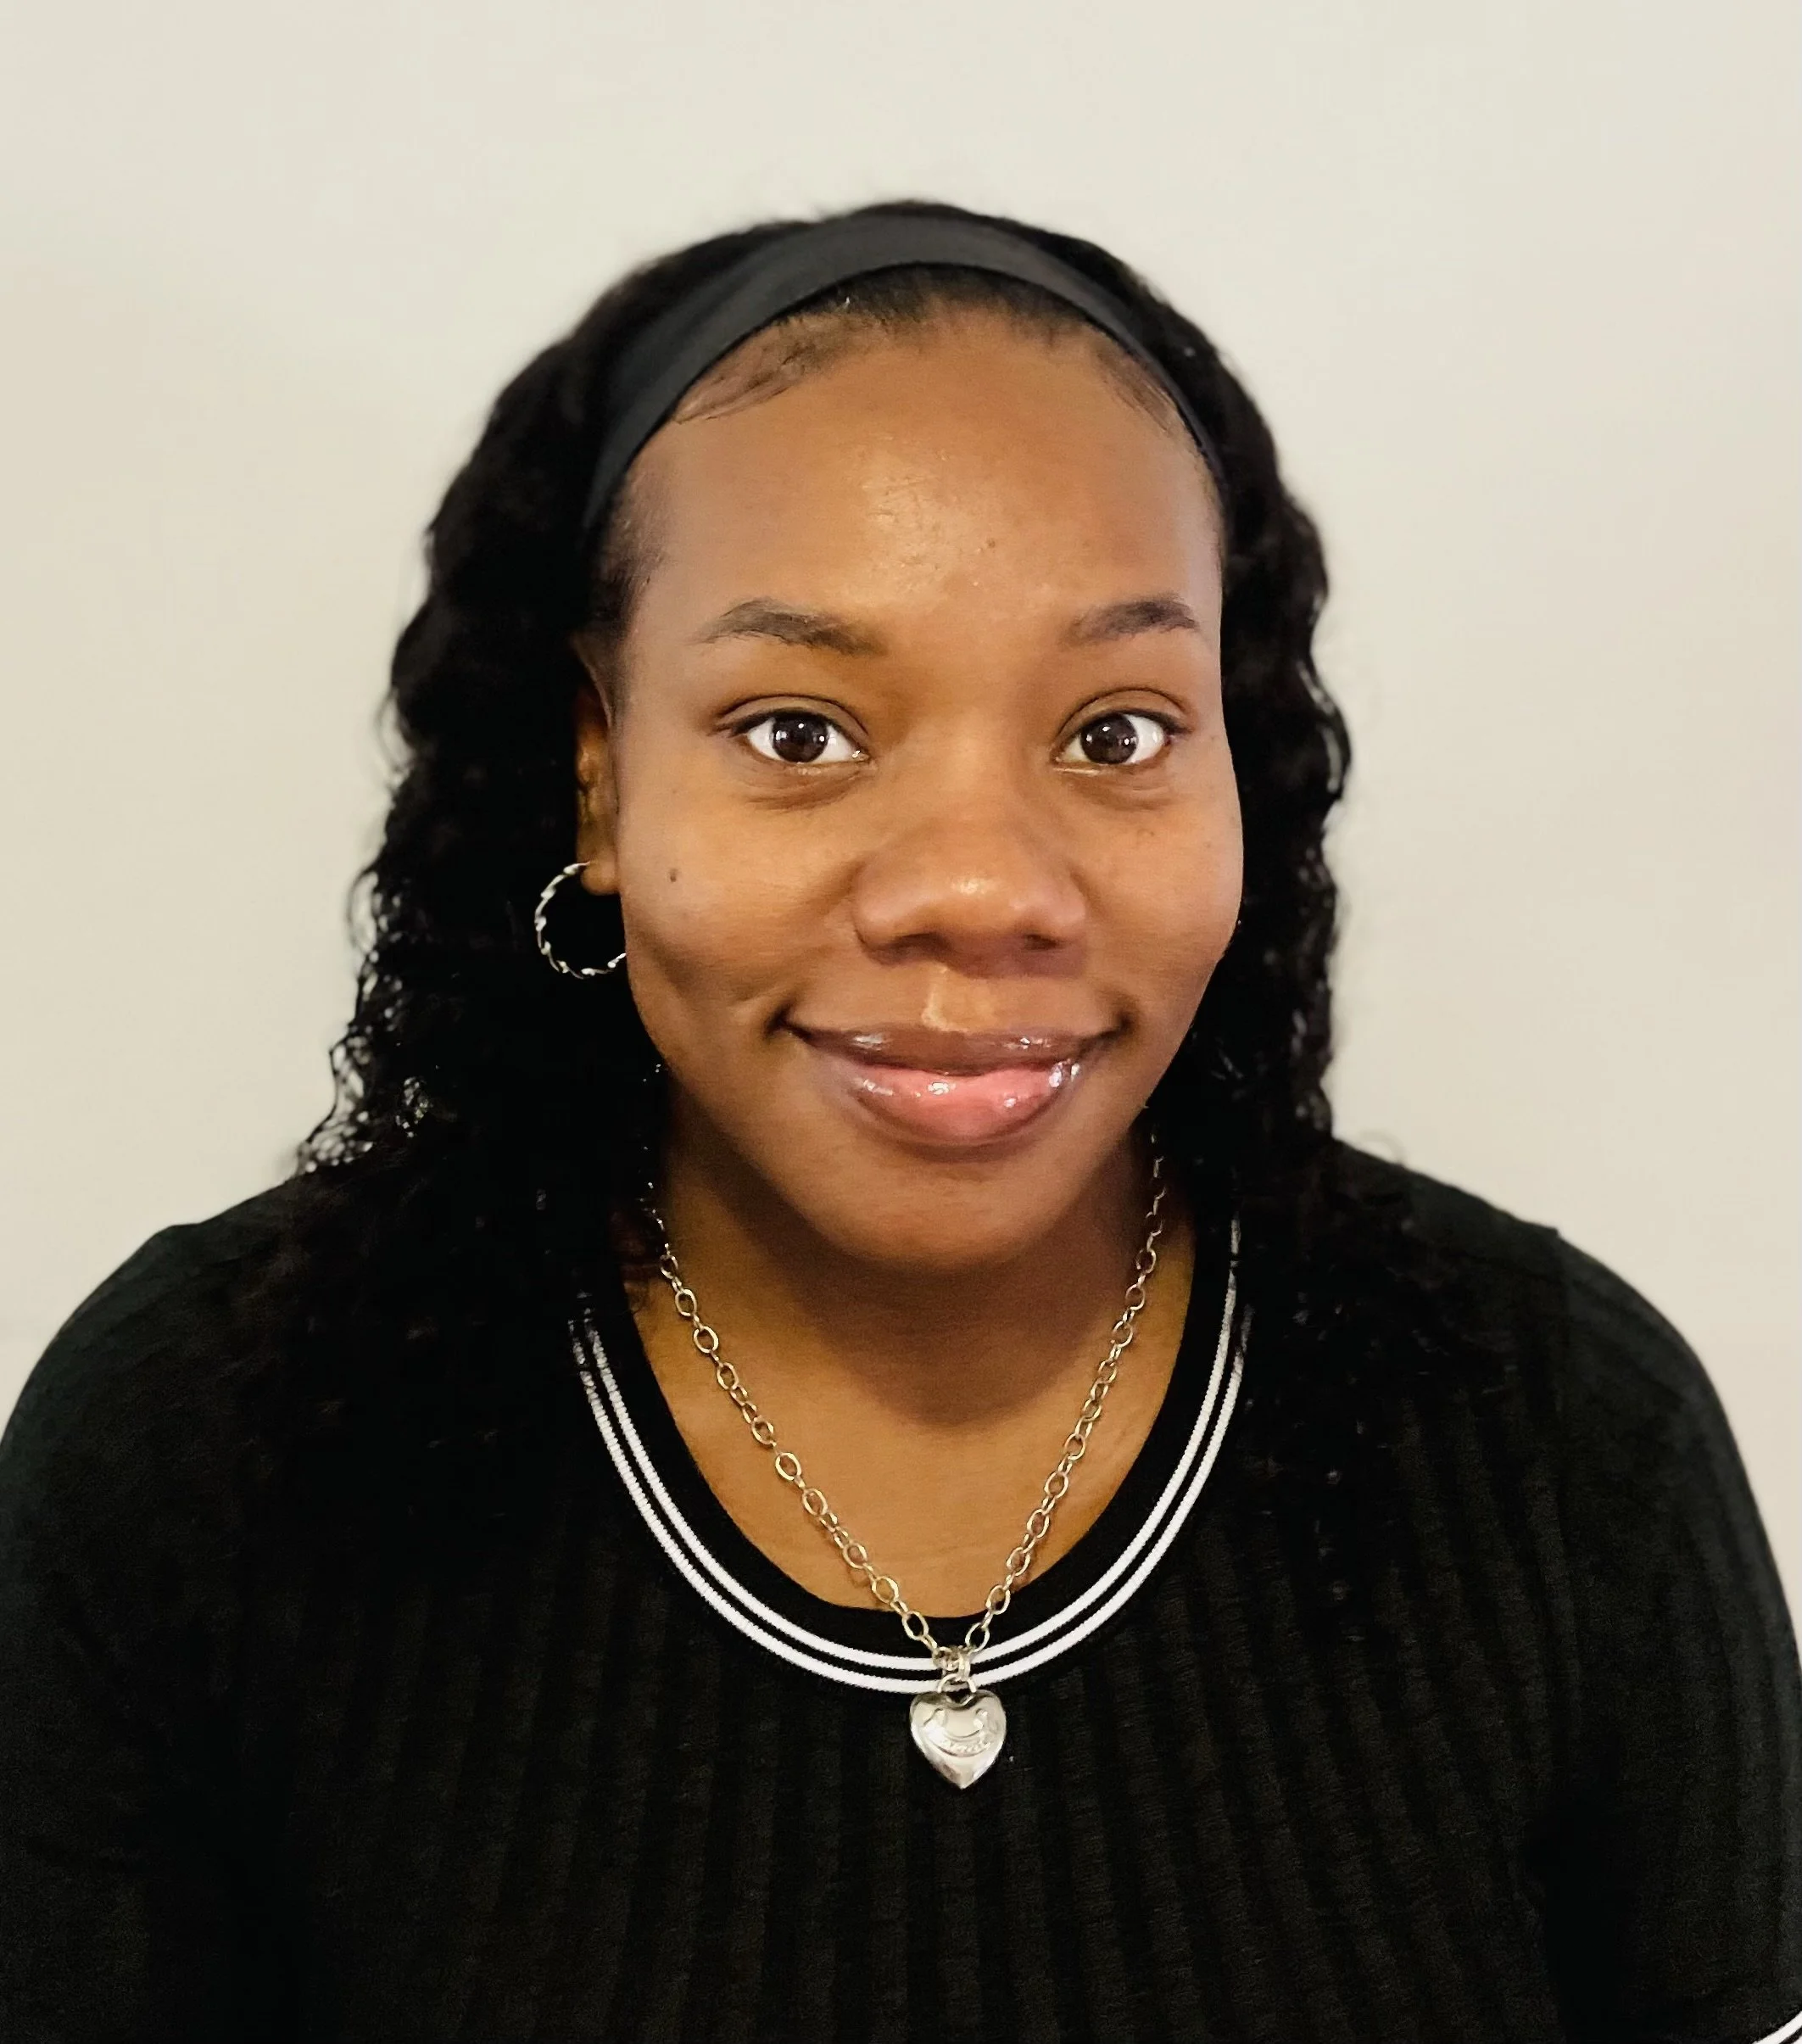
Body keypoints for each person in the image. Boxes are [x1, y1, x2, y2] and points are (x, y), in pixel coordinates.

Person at [1, 200, 1796, 2044]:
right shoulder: (202, 1456)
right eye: (799, 730)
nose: (974, 887)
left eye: (1114, 732)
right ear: (600, 774)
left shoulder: (1566, 1444)